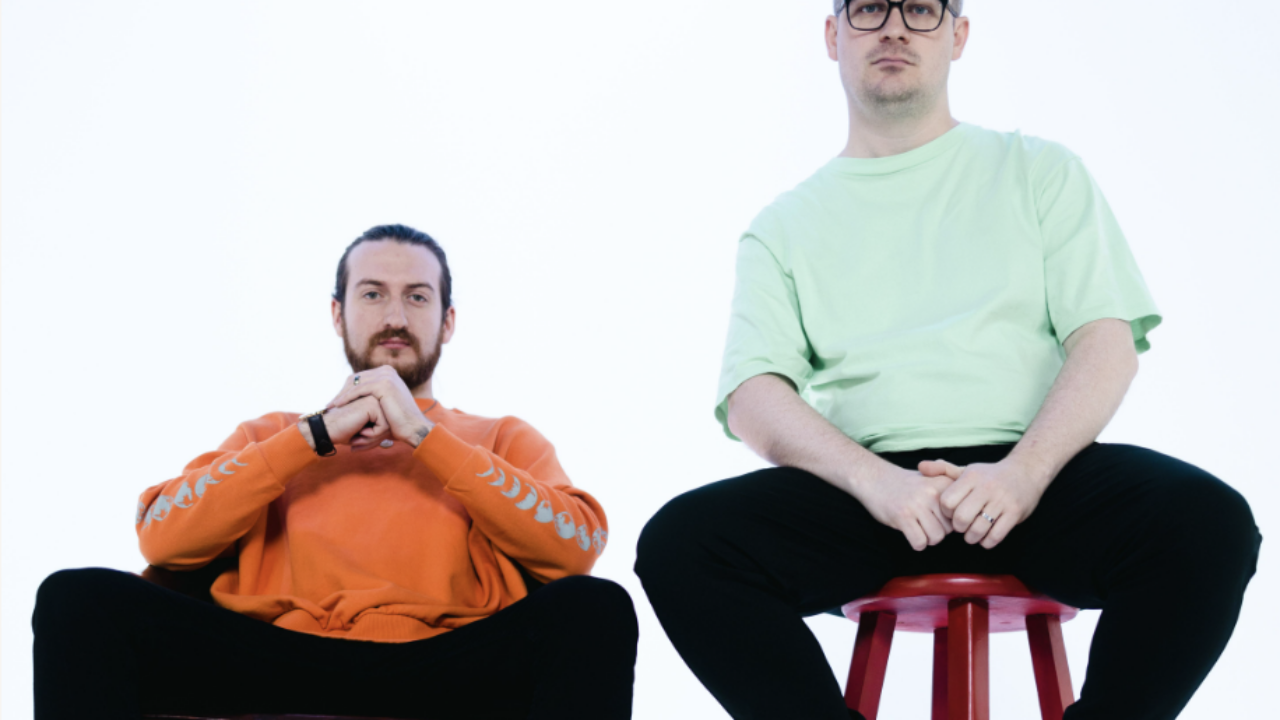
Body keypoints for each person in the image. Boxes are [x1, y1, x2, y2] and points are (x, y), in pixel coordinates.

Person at [635, 3, 1261, 719]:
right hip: (870, 498)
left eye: (922, 9)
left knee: (1205, 521)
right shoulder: (782, 227)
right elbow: (753, 394)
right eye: (870, 7)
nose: (894, 27)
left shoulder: (1039, 171)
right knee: (684, 544)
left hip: (1035, 479)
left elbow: (1106, 343)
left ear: (957, 35)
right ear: (834, 34)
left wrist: (1023, 474)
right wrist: (876, 482)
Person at [33, 224, 637, 720]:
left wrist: (425, 437)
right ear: (338, 315)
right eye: (372, 295)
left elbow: (574, 549)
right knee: (77, 599)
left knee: (596, 609)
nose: (395, 315)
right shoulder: (271, 436)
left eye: (417, 297)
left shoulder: (500, 437)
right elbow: (161, 536)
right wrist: (315, 436)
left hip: (445, 663)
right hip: (279, 658)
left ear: (448, 321)